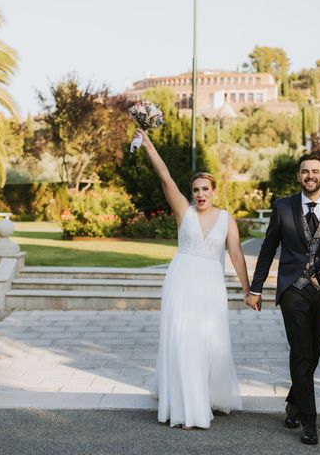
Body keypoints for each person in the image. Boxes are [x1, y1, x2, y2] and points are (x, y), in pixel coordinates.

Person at [134, 129, 249, 429]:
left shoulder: (227, 219)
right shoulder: (183, 212)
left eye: (205, 189)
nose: (200, 194)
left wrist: (250, 291)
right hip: (181, 282)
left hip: (211, 286)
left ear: (214, 191)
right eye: (196, 189)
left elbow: (236, 255)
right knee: (183, 340)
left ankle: (205, 396)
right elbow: (165, 176)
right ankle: (187, 408)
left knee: (207, 342)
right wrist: (148, 144)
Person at [245, 153, 320, 445]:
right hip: (292, 290)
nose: (310, 175)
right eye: (305, 171)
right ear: (299, 176)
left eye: (315, 171)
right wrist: (255, 289)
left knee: (315, 350)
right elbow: (268, 248)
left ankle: (294, 401)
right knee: (301, 351)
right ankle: (310, 422)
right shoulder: (283, 207)